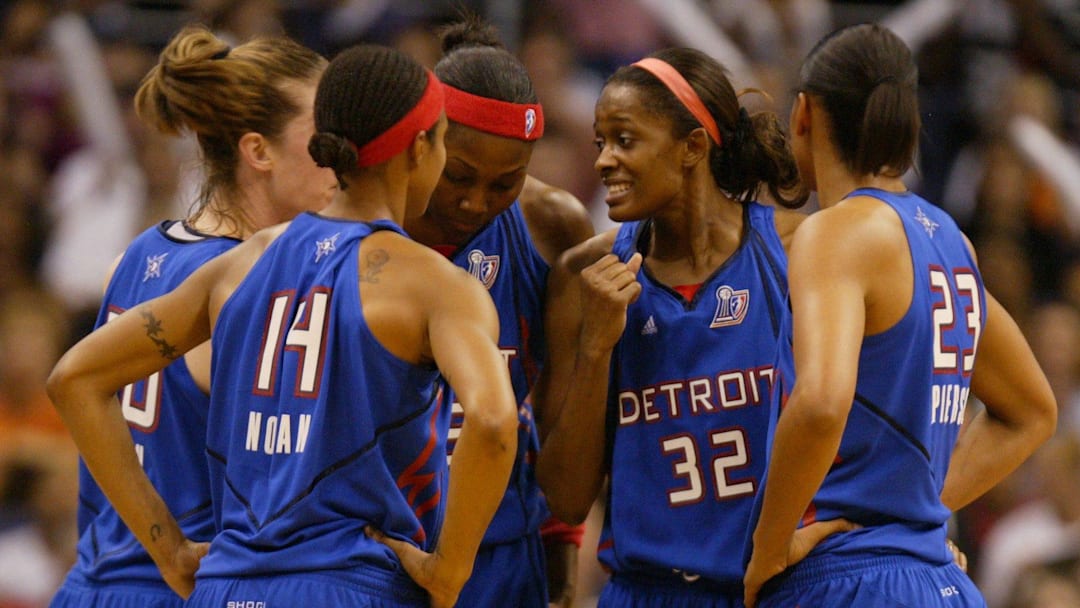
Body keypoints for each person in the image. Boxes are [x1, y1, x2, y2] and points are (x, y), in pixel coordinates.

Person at [46, 43, 519, 608]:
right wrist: (450, 570)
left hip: (214, 583)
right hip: (346, 581)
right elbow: (492, 422)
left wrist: (169, 550)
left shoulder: (236, 264)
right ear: (420, 148)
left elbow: (74, 376)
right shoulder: (434, 283)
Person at [743, 23, 1057, 608]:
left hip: (848, 580)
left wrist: (768, 548)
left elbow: (820, 403)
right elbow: (1032, 410)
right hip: (940, 579)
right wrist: (921, 513)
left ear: (804, 113)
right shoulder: (950, 240)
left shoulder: (835, 232)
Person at [535, 47, 851, 607]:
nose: (605, 160)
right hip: (644, 591)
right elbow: (564, 497)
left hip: (771, 587)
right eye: (599, 143)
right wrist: (596, 348)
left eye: (625, 140)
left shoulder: (799, 250)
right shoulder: (583, 277)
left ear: (692, 147)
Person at [48, 25, 337, 608]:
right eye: (325, 139)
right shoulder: (251, 285)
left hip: (92, 586)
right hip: (179, 589)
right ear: (258, 151)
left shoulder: (135, 256)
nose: (345, 158)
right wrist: (172, 551)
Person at [402, 18, 594, 608]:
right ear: (423, 140)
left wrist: (562, 571)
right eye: (459, 175)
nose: (474, 201)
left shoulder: (553, 224)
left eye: (505, 183)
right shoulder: (362, 215)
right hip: (376, 549)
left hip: (503, 555)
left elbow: (562, 419)